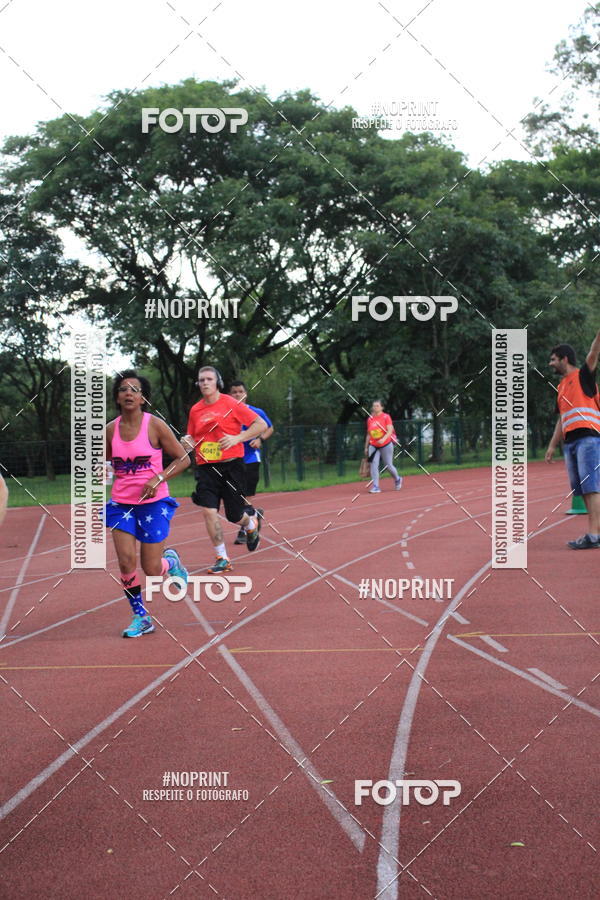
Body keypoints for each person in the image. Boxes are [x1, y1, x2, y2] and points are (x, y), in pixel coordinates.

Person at [105, 370, 191, 637]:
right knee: (125, 561)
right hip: (121, 503)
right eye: (123, 390)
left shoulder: (155, 426)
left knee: (152, 569)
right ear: (117, 398)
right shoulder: (110, 430)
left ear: (143, 398)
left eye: (134, 389)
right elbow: (106, 463)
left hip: (154, 504)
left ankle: (170, 562)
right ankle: (141, 617)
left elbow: (184, 458)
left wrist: (158, 477)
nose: (128, 393)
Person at [182, 366, 268, 573]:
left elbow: (261, 424)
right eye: (201, 380)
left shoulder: (231, 403)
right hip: (206, 467)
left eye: (209, 379)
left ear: (217, 382)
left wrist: (238, 438)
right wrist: (187, 442)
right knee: (208, 511)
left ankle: (250, 525)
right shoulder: (195, 410)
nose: (204, 383)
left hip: (232, 466)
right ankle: (222, 557)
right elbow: (192, 437)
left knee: (234, 514)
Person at [545, 331, 600, 548]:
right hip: (571, 443)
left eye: (553, 359)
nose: (550, 364)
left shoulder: (583, 376)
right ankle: (594, 532)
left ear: (564, 359)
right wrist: (551, 445)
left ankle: (594, 535)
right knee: (582, 490)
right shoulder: (561, 387)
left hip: (588, 437)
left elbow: (594, 351)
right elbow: (562, 418)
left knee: (592, 487)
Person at [229, 380, 274, 544]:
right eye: (234, 392)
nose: (237, 394)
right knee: (236, 495)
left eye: (240, 391)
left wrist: (260, 439)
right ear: (229, 395)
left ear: (246, 394)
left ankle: (244, 529)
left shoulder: (256, 412)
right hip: (232, 459)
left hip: (250, 458)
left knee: (245, 495)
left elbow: (270, 427)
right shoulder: (226, 414)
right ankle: (254, 514)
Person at [364, 400, 402, 494]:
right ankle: (376, 486)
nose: (375, 407)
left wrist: (383, 439)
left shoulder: (386, 417)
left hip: (386, 444)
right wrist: (366, 447)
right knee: (373, 464)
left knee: (388, 465)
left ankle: (397, 479)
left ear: (382, 407)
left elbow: (390, 431)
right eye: (374, 406)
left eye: (377, 406)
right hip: (373, 445)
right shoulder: (370, 419)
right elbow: (369, 434)